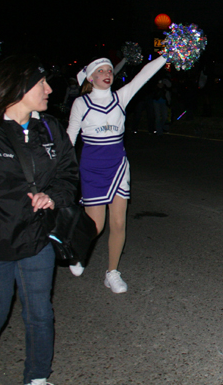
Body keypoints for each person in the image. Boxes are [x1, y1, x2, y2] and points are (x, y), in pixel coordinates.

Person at [0, 56, 79, 385]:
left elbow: (68, 176)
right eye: (41, 83)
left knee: (40, 313)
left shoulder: (51, 128)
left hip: (36, 239)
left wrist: (53, 196)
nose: (49, 89)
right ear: (17, 88)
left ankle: (38, 378)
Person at [66, 54, 167, 292]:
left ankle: (112, 273)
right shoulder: (81, 103)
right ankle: (77, 251)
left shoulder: (120, 97)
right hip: (92, 166)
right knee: (96, 226)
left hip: (118, 165)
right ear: (91, 77)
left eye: (109, 70)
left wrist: (168, 55)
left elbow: (144, 74)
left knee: (119, 223)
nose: (107, 74)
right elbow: (70, 137)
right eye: (101, 71)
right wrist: (56, 166)